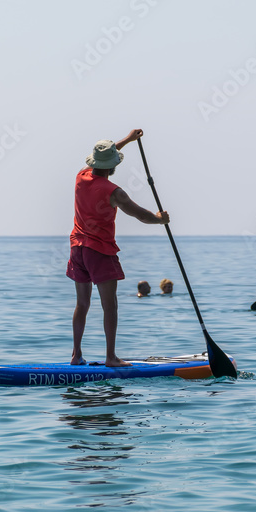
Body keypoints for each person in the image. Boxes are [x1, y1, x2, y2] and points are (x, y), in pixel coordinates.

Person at [66, 129, 169, 367]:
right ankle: (111, 357)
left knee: (82, 304)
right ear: (113, 166)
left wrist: (128, 139)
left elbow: (104, 157)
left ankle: (76, 355)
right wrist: (159, 219)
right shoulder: (115, 192)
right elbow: (140, 215)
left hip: (77, 249)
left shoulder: (80, 177)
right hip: (99, 251)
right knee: (109, 304)